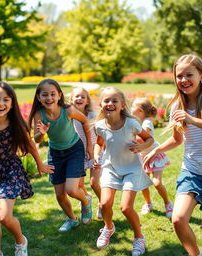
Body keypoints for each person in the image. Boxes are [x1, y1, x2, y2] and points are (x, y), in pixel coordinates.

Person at [143, 54, 202, 256]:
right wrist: (155, 150)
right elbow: (177, 139)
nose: (183, 80)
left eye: (189, 75)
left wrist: (192, 120)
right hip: (192, 170)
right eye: (179, 76)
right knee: (178, 219)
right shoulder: (177, 106)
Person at [0, 81, 54, 256]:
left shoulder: (16, 124)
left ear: (12, 103)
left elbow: (30, 145)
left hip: (10, 171)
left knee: (4, 216)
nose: (0, 103)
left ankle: (21, 241)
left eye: (6, 99)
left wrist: (40, 164)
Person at [94, 87, 154, 256]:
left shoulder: (131, 123)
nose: (110, 103)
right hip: (110, 168)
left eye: (114, 101)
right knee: (104, 204)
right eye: (106, 100)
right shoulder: (100, 126)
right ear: (101, 104)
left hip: (132, 169)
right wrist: (97, 154)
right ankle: (108, 227)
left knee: (126, 207)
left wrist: (141, 147)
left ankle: (139, 238)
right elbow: (99, 143)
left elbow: (150, 139)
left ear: (122, 105)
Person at [28, 79, 94, 231]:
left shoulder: (68, 110)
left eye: (52, 94)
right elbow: (37, 138)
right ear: (39, 97)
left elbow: (85, 122)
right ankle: (72, 219)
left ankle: (86, 201)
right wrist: (41, 133)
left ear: (59, 95)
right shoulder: (39, 114)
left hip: (74, 150)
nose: (49, 98)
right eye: (45, 95)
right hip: (55, 154)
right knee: (59, 195)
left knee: (72, 190)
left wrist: (89, 146)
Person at [131, 98, 172, 218]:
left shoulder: (146, 122)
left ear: (139, 110)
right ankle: (148, 203)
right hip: (143, 156)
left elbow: (142, 138)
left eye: (132, 106)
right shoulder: (137, 121)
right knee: (143, 183)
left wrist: (127, 137)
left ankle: (168, 203)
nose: (130, 108)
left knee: (157, 183)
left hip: (154, 155)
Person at [70, 87, 102, 219]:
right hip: (78, 154)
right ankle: (87, 198)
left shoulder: (93, 116)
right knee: (79, 184)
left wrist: (98, 152)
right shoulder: (70, 117)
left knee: (94, 183)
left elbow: (101, 135)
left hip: (94, 151)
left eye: (83, 97)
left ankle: (102, 203)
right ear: (71, 100)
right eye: (76, 96)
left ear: (87, 101)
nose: (79, 99)